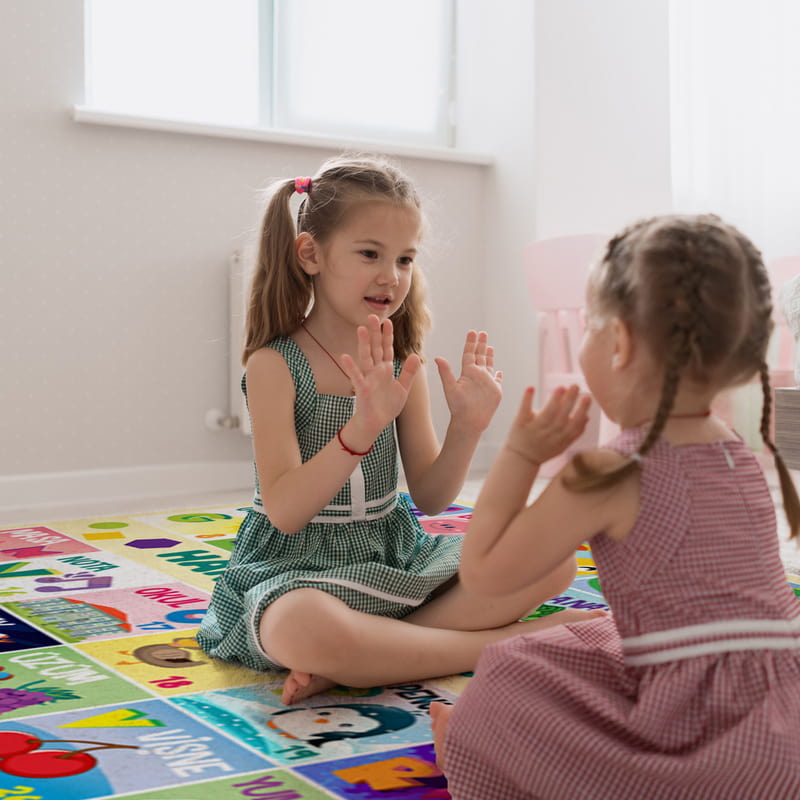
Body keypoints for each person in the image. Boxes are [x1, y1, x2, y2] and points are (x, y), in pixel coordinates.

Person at [196, 155, 600, 705]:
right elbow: (286, 510)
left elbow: (432, 497)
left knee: (549, 559)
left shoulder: (402, 363)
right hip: (299, 569)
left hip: (394, 561)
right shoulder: (274, 365)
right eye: (370, 254)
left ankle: (368, 656)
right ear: (310, 254)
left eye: (405, 259)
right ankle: (498, 645)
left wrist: (467, 427)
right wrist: (360, 428)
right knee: (303, 627)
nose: (391, 276)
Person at [431, 213, 800, 799]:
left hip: (711, 749)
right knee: (587, 638)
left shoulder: (609, 471)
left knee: (504, 674)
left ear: (619, 341)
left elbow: (483, 572)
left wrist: (520, 455)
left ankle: (473, 750)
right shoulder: (737, 453)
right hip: (789, 726)